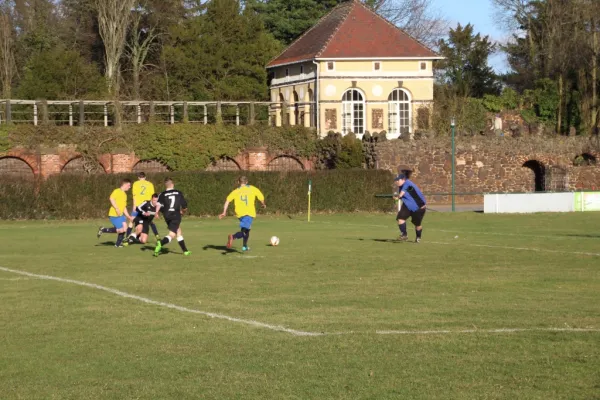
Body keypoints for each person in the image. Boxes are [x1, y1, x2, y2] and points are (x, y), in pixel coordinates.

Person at [219, 176, 266, 252]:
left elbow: (227, 200)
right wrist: (263, 204)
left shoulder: (235, 191)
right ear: (247, 182)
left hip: (240, 214)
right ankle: (233, 237)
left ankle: (245, 246)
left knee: (247, 229)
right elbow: (261, 197)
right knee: (244, 231)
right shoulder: (252, 188)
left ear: (238, 182)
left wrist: (224, 212)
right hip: (248, 213)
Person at [154, 178, 191, 257]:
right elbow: (184, 206)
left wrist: (156, 212)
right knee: (172, 234)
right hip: (175, 215)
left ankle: (185, 251)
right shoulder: (178, 193)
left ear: (166, 185)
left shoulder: (162, 194)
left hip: (167, 216)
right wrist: (183, 211)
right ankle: (161, 243)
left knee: (178, 231)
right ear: (173, 184)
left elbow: (158, 204)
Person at [97, 179, 134, 248]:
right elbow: (111, 198)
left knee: (125, 228)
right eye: (129, 185)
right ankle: (103, 230)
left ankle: (118, 244)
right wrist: (116, 208)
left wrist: (128, 216)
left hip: (121, 215)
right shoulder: (117, 191)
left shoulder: (124, 194)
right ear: (125, 185)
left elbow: (124, 207)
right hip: (114, 215)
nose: (129, 187)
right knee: (121, 230)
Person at [393, 174, 426, 243]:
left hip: (418, 207)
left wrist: (397, 197)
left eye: (398, 180)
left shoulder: (407, 183)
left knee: (417, 225)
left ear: (403, 179)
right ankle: (404, 234)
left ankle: (418, 237)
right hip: (407, 205)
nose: (396, 182)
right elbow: (402, 197)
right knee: (400, 219)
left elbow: (401, 194)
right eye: (395, 180)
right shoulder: (401, 186)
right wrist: (396, 199)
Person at [129, 172, 160, 241]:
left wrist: (134, 206)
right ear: (145, 177)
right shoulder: (150, 184)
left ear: (138, 177)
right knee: (150, 221)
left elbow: (134, 196)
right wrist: (153, 207)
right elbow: (153, 197)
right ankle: (157, 236)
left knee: (131, 220)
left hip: (138, 206)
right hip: (147, 206)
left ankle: (127, 236)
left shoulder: (135, 183)